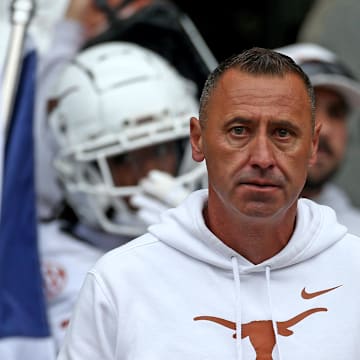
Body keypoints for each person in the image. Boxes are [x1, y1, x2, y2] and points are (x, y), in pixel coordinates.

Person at [57, 47, 360, 359]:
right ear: (198, 139)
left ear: (311, 146)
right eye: (239, 131)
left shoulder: (355, 271)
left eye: (283, 133)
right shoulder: (119, 282)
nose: (262, 158)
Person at [40, 41, 205, 352]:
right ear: (80, 170)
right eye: (124, 158)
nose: (151, 173)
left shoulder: (224, 238)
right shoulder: (44, 259)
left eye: (160, 149)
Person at [277, 43, 360, 235]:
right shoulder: (202, 220)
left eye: (336, 113)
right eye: (305, 109)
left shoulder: (354, 239)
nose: (324, 129)